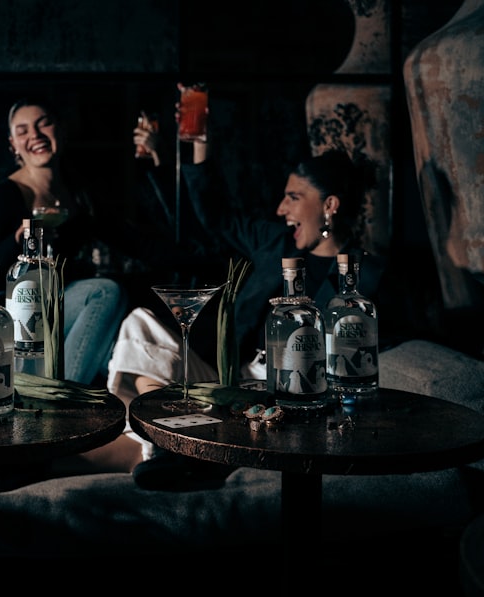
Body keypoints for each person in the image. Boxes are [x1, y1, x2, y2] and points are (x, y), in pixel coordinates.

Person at [96, 89, 386, 488]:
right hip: (229, 376)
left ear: (330, 205)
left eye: (293, 197)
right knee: (140, 325)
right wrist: (198, 142)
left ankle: (187, 451)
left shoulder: (364, 276)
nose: (282, 209)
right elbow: (217, 216)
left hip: (290, 395)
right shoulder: (273, 241)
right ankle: (171, 444)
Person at [0, 98, 147, 386]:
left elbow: (128, 240)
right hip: (19, 319)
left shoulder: (77, 192)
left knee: (119, 341)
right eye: (23, 131)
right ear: (13, 144)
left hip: (62, 310)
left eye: (43, 124)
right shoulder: (4, 197)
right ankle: (61, 397)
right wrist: (17, 241)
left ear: (59, 132)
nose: (35, 136)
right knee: (103, 292)